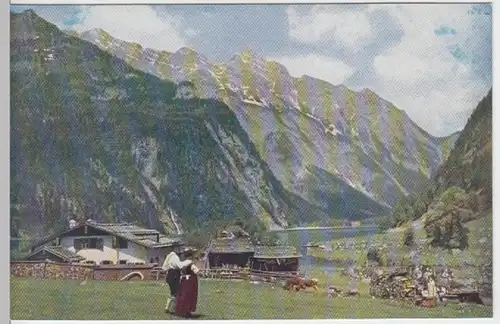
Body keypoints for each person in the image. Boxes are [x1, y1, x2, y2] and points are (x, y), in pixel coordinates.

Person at [162, 249, 193, 313]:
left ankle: (167, 307)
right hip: (174, 276)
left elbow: (165, 267)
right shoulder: (175, 257)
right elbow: (180, 266)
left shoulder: (170, 256)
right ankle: (175, 308)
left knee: (173, 293)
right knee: (176, 293)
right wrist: (188, 261)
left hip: (171, 275)